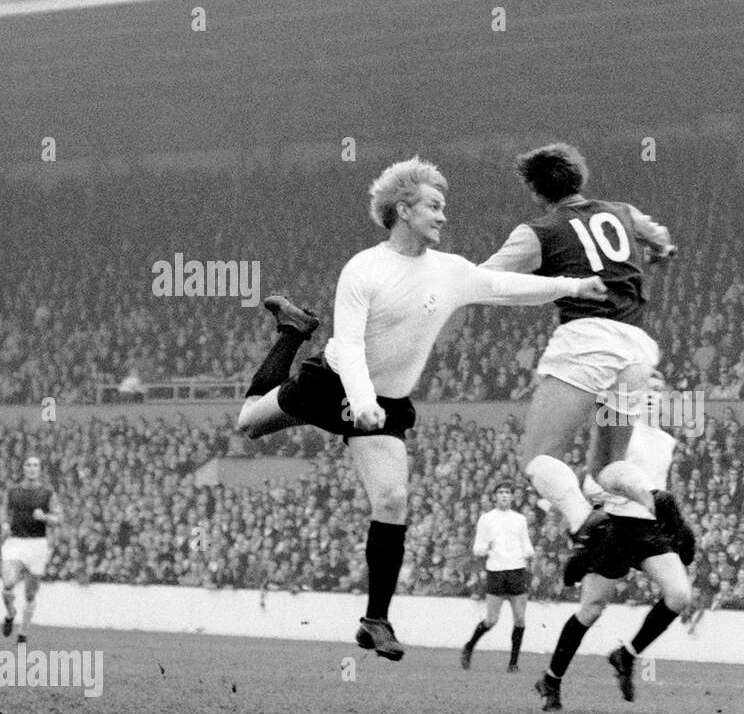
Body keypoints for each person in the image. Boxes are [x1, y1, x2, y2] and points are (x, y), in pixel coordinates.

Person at [234, 156, 608, 661]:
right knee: (249, 425)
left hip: (384, 403)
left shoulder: (449, 271)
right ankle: (293, 333)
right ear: (404, 209)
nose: (443, 216)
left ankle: (375, 620)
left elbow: (503, 287)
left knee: (391, 498)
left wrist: (571, 286)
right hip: (334, 383)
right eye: (434, 206)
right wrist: (361, 403)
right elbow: (348, 349)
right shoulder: (364, 269)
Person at [481, 142, 676, 555]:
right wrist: (660, 251)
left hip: (588, 344)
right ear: (580, 177)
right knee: (606, 467)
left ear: (536, 192)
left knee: (536, 457)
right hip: (637, 351)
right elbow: (660, 239)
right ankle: (655, 500)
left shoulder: (538, 232)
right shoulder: (623, 211)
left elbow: (486, 279)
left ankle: (584, 523)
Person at [534, 398, 695, 712]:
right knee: (591, 609)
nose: (655, 396)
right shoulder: (620, 429)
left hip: (649, 530)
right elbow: (593, 483)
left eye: (660, 390)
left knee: (679, 595)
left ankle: (626, 655)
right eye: (649, 388)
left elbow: (662, 490)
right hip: (615, 526)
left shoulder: (666, 441)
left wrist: (677, 522)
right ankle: (551, 679)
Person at [460, 484, 534, 673]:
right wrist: (486, 547)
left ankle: (513, 663)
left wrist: (529, 554)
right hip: (497, 572)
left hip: (517, 571)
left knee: (520, 619)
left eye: (507, 493)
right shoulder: (486, 519)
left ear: (512, 496)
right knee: (491, 620)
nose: (504, 496)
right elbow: (478, 548)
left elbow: (527, 544)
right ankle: (469, 646)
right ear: (495, 496)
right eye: (501, 493)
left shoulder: (520, 519)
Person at [1, 456, 63, 643]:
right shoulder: (12, 492)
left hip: (37, 544)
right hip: (15, 542)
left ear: (40, 469)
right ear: (23, 468)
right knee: (9, 583)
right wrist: (4, 524)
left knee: (30, 593)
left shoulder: (48, 493)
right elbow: (4, 513)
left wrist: (44, 517)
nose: (32, 468)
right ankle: (11, 613)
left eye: (35, 465)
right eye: (28, 464)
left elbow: (58, 519)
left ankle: (23, 632)